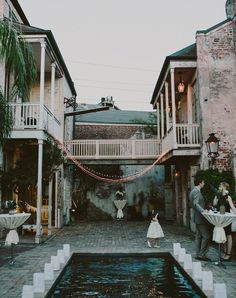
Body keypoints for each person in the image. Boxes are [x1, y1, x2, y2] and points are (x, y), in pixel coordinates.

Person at [189, 177, 211, 261]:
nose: (204, 184)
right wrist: (203, 210)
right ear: (200, 183)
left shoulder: (193, 191)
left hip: (196, 217)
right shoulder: (196, 192)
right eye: (203, 182)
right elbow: (195, 203)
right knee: (207, 236)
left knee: (198, 236)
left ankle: (197, 254)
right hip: (200, 217)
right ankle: (202, 254)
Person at [213, 182, 234, 261]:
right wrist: (216, 195)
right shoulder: (218, 195)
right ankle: (224, 252)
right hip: (220, 218)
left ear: (224, 187)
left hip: (226, 218)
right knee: (223, 234)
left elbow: (232, 207)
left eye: (220, 185)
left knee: (228, 235)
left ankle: (229, 254)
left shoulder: (228, 197)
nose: (219, 187)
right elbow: (214, 204)